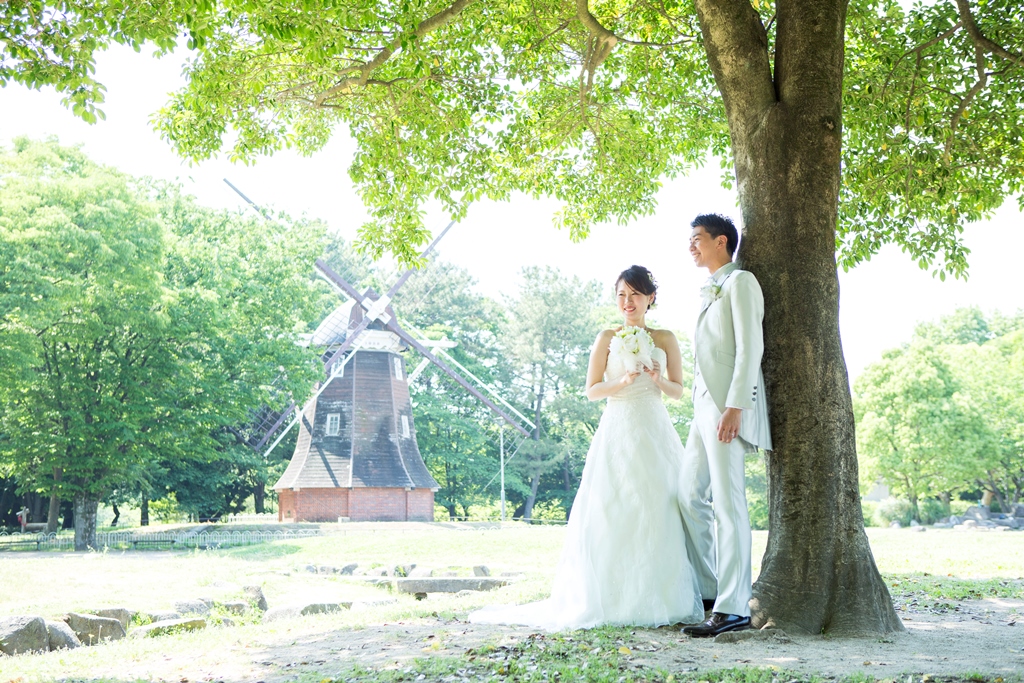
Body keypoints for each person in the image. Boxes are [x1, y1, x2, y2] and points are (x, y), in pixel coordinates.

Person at [469, 265, 703, 630]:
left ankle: (664, 596)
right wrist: (622, 381)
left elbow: (677, 391)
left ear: (650, 298)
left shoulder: (666, 338)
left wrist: (658, 379)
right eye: (621, 295)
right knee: (613, 506)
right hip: (617, 427)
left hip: (654, 426)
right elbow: (592, 390)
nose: (628, 302)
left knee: (659, 503)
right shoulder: (607, 337)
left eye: (635, 295)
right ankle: (611, 598)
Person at [678, 214, 772, 637]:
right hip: (701, 407)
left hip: (726, 407)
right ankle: (713, 590)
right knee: (687, 495)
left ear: (721, 242)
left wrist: (736, 406)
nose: (691, 246)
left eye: (697, 239)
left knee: (728, 505)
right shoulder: (709, 289)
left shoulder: (741, 282)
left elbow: (751, 347)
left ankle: (733, 608)